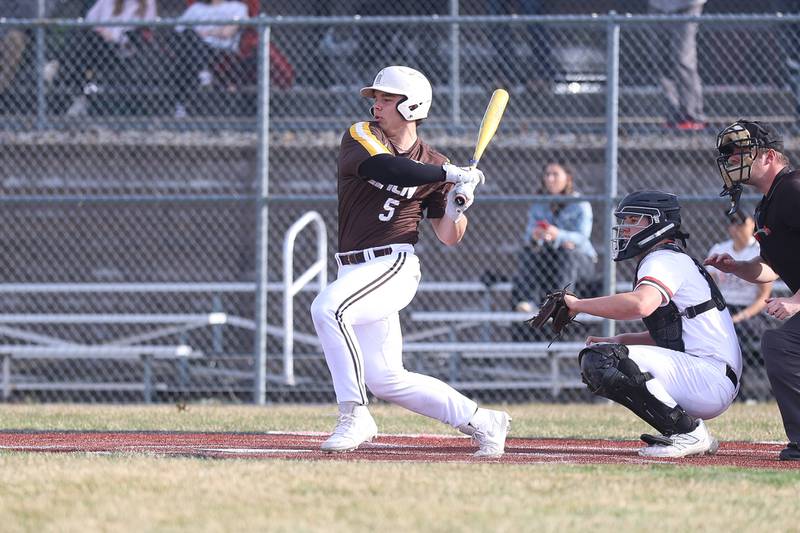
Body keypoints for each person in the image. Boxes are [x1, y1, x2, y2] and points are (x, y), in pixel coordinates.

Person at [310, 65, 511, 457]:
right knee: (386, 378)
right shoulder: (362, 135)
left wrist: (456, 205)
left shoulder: (434, 163)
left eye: (387, 99)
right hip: (353, 268)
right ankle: (484, 420)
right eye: (377, 98)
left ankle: (354, 414)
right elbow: (387, 168)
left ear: (413, 106)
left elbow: (448, 235)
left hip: (393, 265)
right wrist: (449, 173)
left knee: (328, 309)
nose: (377, 106)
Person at [563, 190, 741, 458]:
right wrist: (620, 340)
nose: (624, 228)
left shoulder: (662, 260)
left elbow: (640, 304)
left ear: (658, 222)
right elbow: (675, 333)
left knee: (602, 360)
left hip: (708, 377)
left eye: (633, 220)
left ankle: (688, 432)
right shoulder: (669, 257)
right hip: (710, 376)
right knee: (605, 354)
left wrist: (577, 305)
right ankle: (686, 431)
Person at [707, 119, 800, 461]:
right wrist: (738, 268)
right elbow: (770, 267)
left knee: (782, 344)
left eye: (741, 152)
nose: (732, 161)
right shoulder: (767, 204)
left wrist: (796, 300)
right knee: (780, 344)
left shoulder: (793, 189)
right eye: (729, 155)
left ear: (769, 156)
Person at [512, 162, 597, 315]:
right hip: (550, 260)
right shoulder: (539, 203)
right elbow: (529, 234)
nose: (550, 178)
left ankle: (560, 305)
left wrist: (558, 235)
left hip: (580, 261)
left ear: (568, 178)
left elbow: (582, 238)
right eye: (547, 174)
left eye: (555, 174)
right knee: (528, 252)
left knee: (567, 254)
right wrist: (536, 236)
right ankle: (527, 301)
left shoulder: (580, 203)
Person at [59, 0, 157, 116]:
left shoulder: (147, 3)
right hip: (99, 45)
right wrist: (101, 31)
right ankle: (75, 92)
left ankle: (59, 69)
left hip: (125, 51)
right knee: (83, 41)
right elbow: (89, 20)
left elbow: (143, 34)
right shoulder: (108, 1)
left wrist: (114, 37)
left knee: (84, 46)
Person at [169, 0, 249, 117]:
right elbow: (179, 30)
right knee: (189, 40)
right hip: (193, 48)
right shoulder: (196, 8)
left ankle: (181, 105)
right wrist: (212, 32)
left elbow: (227, 33)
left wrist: (206, 32)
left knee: (188, 57)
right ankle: (202, 72)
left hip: (220, 49)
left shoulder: (237, 7)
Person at [648, 0, 707, 130]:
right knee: (660, 60)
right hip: (658, 6)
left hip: (687, 5)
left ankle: (692, 115)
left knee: (682, 59)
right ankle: (673, 115)